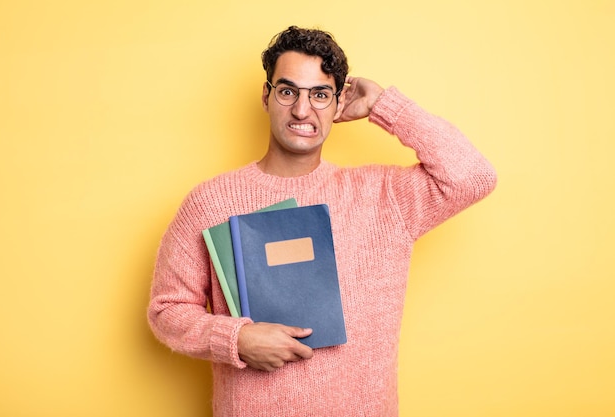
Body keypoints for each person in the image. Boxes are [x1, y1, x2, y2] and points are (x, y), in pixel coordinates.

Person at [148, 25, 497, 417]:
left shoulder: (383, 197)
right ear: (266, 96)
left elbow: (473, 176)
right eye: (287, 91)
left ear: (338, 102)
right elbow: (167, 310)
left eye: (319, 94)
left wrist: (384, 105)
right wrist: (237, 338)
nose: (302, 110)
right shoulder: (211, 201)